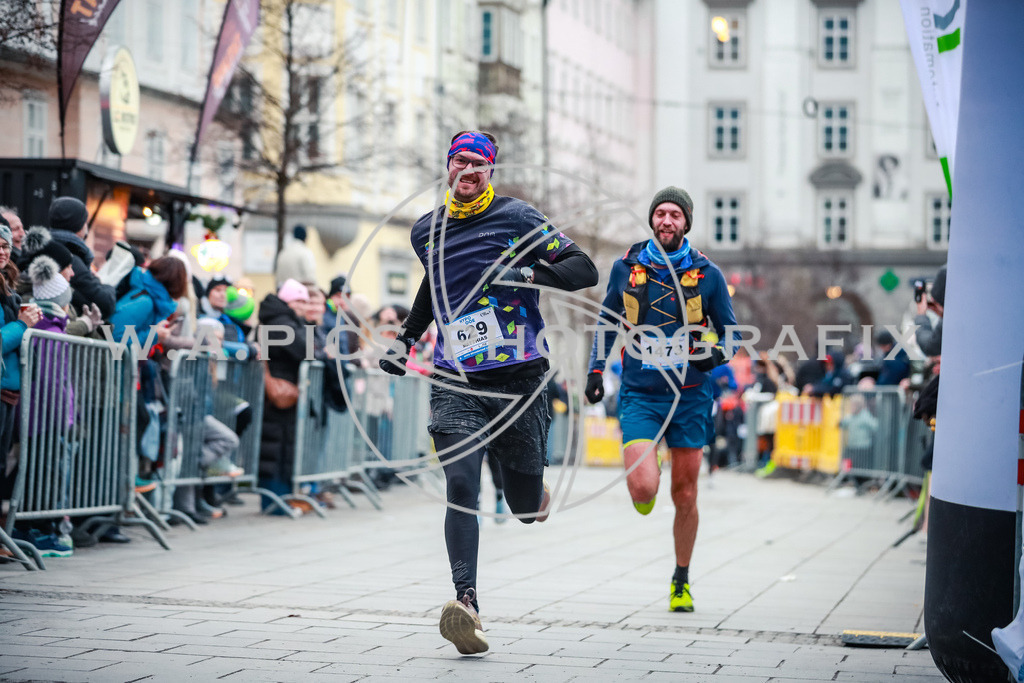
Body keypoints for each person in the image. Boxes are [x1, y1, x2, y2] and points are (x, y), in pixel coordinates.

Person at [379, 130, 598, 655]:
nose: (468, 170)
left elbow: (584, 269)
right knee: (460, 485)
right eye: (460, 162)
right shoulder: (425, 231)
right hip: (456, 378)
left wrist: (521, 271)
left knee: (523, 509)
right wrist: (405, 340)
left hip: (520, 380)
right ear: (447, 168)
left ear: (490, 171)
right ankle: (466, 602)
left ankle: (530, 490)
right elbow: (433, 289)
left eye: (479, 163)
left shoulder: (517, 219)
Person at [584, 186, 737, 614]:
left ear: (686, 223)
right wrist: (596, 370)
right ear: (652, 220)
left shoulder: (708, 275)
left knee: (685, 494)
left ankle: (681, 579)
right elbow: (606, 323)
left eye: (675, 215)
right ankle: (643, 490)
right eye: (660, 214)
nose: (666, 221)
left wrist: (717, 353)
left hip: (689, 397)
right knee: (644, 488)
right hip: (640, 394)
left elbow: (732, 333)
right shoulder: (626, 267)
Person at [256, 278, 309, 513]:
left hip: (284, 390)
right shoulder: (279, 322)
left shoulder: (285, 320)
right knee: (274, 449)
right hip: (276, 392)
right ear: (287, 299)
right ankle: (273, 501)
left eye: (305, 301)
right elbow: (303, 349)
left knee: (283, 448)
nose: (303, 305)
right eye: (299, 300)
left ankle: (281, 499)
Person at [46, 197, 117, 318]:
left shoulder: (48, 247)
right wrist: (106, 286)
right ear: (78, 225)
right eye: (85, 221)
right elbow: (105, 303)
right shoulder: (71, 259)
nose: (86, 227)